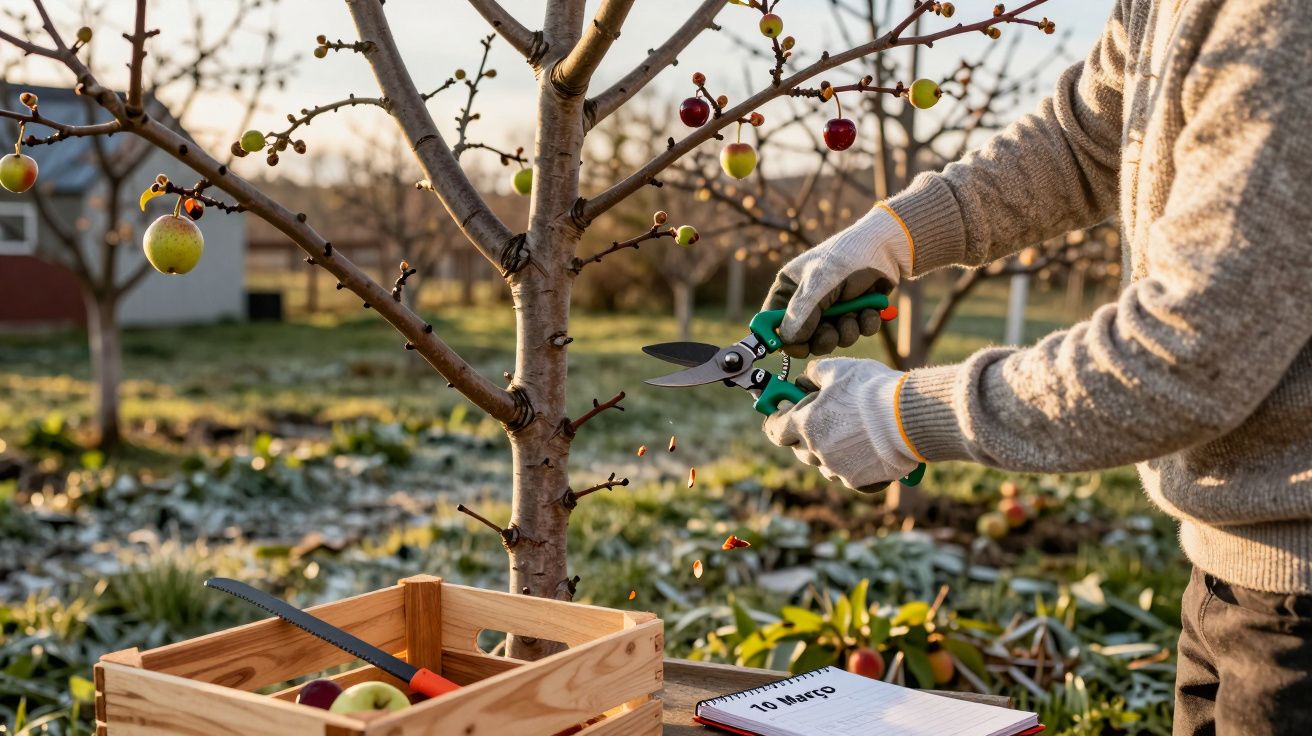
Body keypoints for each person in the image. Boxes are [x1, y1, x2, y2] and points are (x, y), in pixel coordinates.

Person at [760, 1, 1311, 734]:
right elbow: (1085, 140)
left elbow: (1186, 358)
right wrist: (893, 234)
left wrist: (903, 418)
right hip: (1230, 571)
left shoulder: (1280, 23)